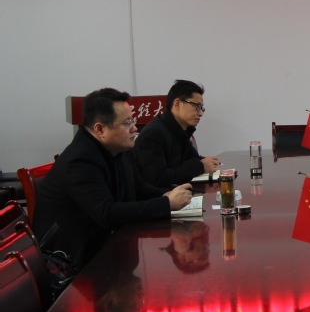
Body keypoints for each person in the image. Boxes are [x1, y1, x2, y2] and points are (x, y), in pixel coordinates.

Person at [35, 88, 192, 271]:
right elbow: (107, 213)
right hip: (74, 263)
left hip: (109, 246)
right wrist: (166, 203)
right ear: (100, 129)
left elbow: (140, 189)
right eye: (127, 123)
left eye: (133, 120)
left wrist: (172, 194)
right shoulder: (80, 161)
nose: (135, 128)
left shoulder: (118, 150)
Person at [134, 79, 220, 187]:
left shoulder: (179, 130)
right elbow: (158, 178)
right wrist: (200, 166)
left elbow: (191, 159)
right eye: (196, 106)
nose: (200, 113)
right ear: (177, 103)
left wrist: (206, 162)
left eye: (201, 108)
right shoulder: (153, 134)